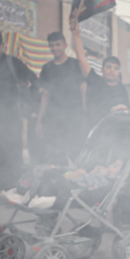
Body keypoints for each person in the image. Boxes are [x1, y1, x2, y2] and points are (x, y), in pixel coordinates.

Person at [0, 29, 38, 190]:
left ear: (3, 44)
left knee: (14, 148)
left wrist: (29, 102)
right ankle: (6, 187)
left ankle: (18, 185)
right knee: (0, 150)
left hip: (13, 115)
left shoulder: (12, 62)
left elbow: (32, 79)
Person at [70, 20, 129, 132]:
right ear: (102, 70)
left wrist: (122, 107)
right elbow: (82, 58)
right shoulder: (95, 81)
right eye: (108, 67)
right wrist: (76, 34)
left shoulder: (122, 91)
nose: (112, 70)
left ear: (118, 72)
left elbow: (127, 111)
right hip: (92, 132)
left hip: (113, 136)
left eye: (116, 68)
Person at [36, 31, 86, 164]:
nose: (55, 48)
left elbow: (83, 90)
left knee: (75, 154)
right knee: (55, 155)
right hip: (54, 119)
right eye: (51, 45)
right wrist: (39, 120)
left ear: (65, 45)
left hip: (74, 117)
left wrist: (85, 114)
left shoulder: (75, 64)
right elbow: (45, 94)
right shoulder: (47, 68)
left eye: (58, 45)